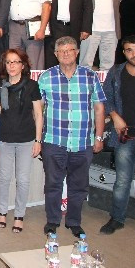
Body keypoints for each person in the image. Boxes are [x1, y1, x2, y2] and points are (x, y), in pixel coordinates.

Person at [38, 36, 106, 237]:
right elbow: (38, 110)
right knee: (53, 184)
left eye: (70, 50)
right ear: (56, 54)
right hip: (53, 141)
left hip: (82, 142)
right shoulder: (46, 77)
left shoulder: (90, 76)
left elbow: (99, 108)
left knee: (79, 185)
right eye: (62, 51)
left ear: (77, 52)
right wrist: (38, 138)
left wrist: (99, 137)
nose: (66, 54)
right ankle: (52, 220)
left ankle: (74, 221)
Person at [99, 35, 135, 234]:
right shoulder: (116, 72)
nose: (134, 54)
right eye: (129, 50)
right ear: (124, 52)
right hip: (125, 135)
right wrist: (114, 115)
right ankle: (117, 218)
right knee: (122, 180)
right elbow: (105, 97)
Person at [0, 48, 43, 233]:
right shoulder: (1, 86)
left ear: (23, 65)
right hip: (4, 139)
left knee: (22, 180)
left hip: (26, 139)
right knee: (4, 178)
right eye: (8, 62)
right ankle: (2, 212)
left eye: (16, 62)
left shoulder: (32, 86)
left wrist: (38, 140)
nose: (12, 65)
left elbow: (38, 114)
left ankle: (19, 215)